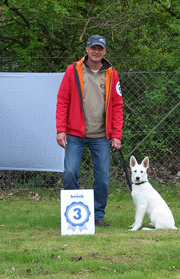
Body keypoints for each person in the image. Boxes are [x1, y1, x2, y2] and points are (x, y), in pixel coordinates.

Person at [56, 35, 123, 227]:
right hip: (74, 134)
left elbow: (118, 105)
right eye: (93, 48)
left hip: (102, 136)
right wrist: (61, 129)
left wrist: (116, 134)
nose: (96, 52)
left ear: (104, 51)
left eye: (100, 49)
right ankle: (72, 213)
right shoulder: (72, 71)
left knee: (102, 177)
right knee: (69, 172)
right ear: (86, 49)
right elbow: (62, 101)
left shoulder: (112, 74)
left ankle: (97, 214)